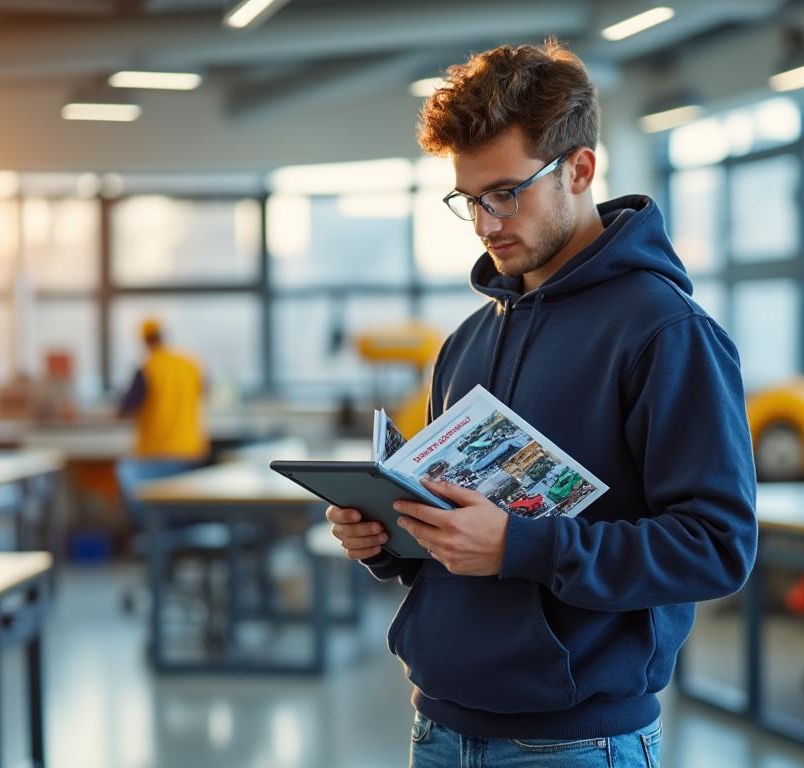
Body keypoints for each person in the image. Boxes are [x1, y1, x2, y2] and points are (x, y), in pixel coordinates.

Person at [324, 40, 758, 766]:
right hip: (438, 727)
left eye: (506, 193)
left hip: (574, 741)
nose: (488, 222)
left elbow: (716, 547)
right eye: (469, 200)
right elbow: (460, 524)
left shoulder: (666, 332)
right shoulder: (465, 340)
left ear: (580, 170)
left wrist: (521, 546)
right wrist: (391, 538)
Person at [117, 318, 208, 460]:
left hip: (156, 452)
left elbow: (127, 408)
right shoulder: (190, 364)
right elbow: (204, 391)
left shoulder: (147, 369)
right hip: (190, 447)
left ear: (145, 341)